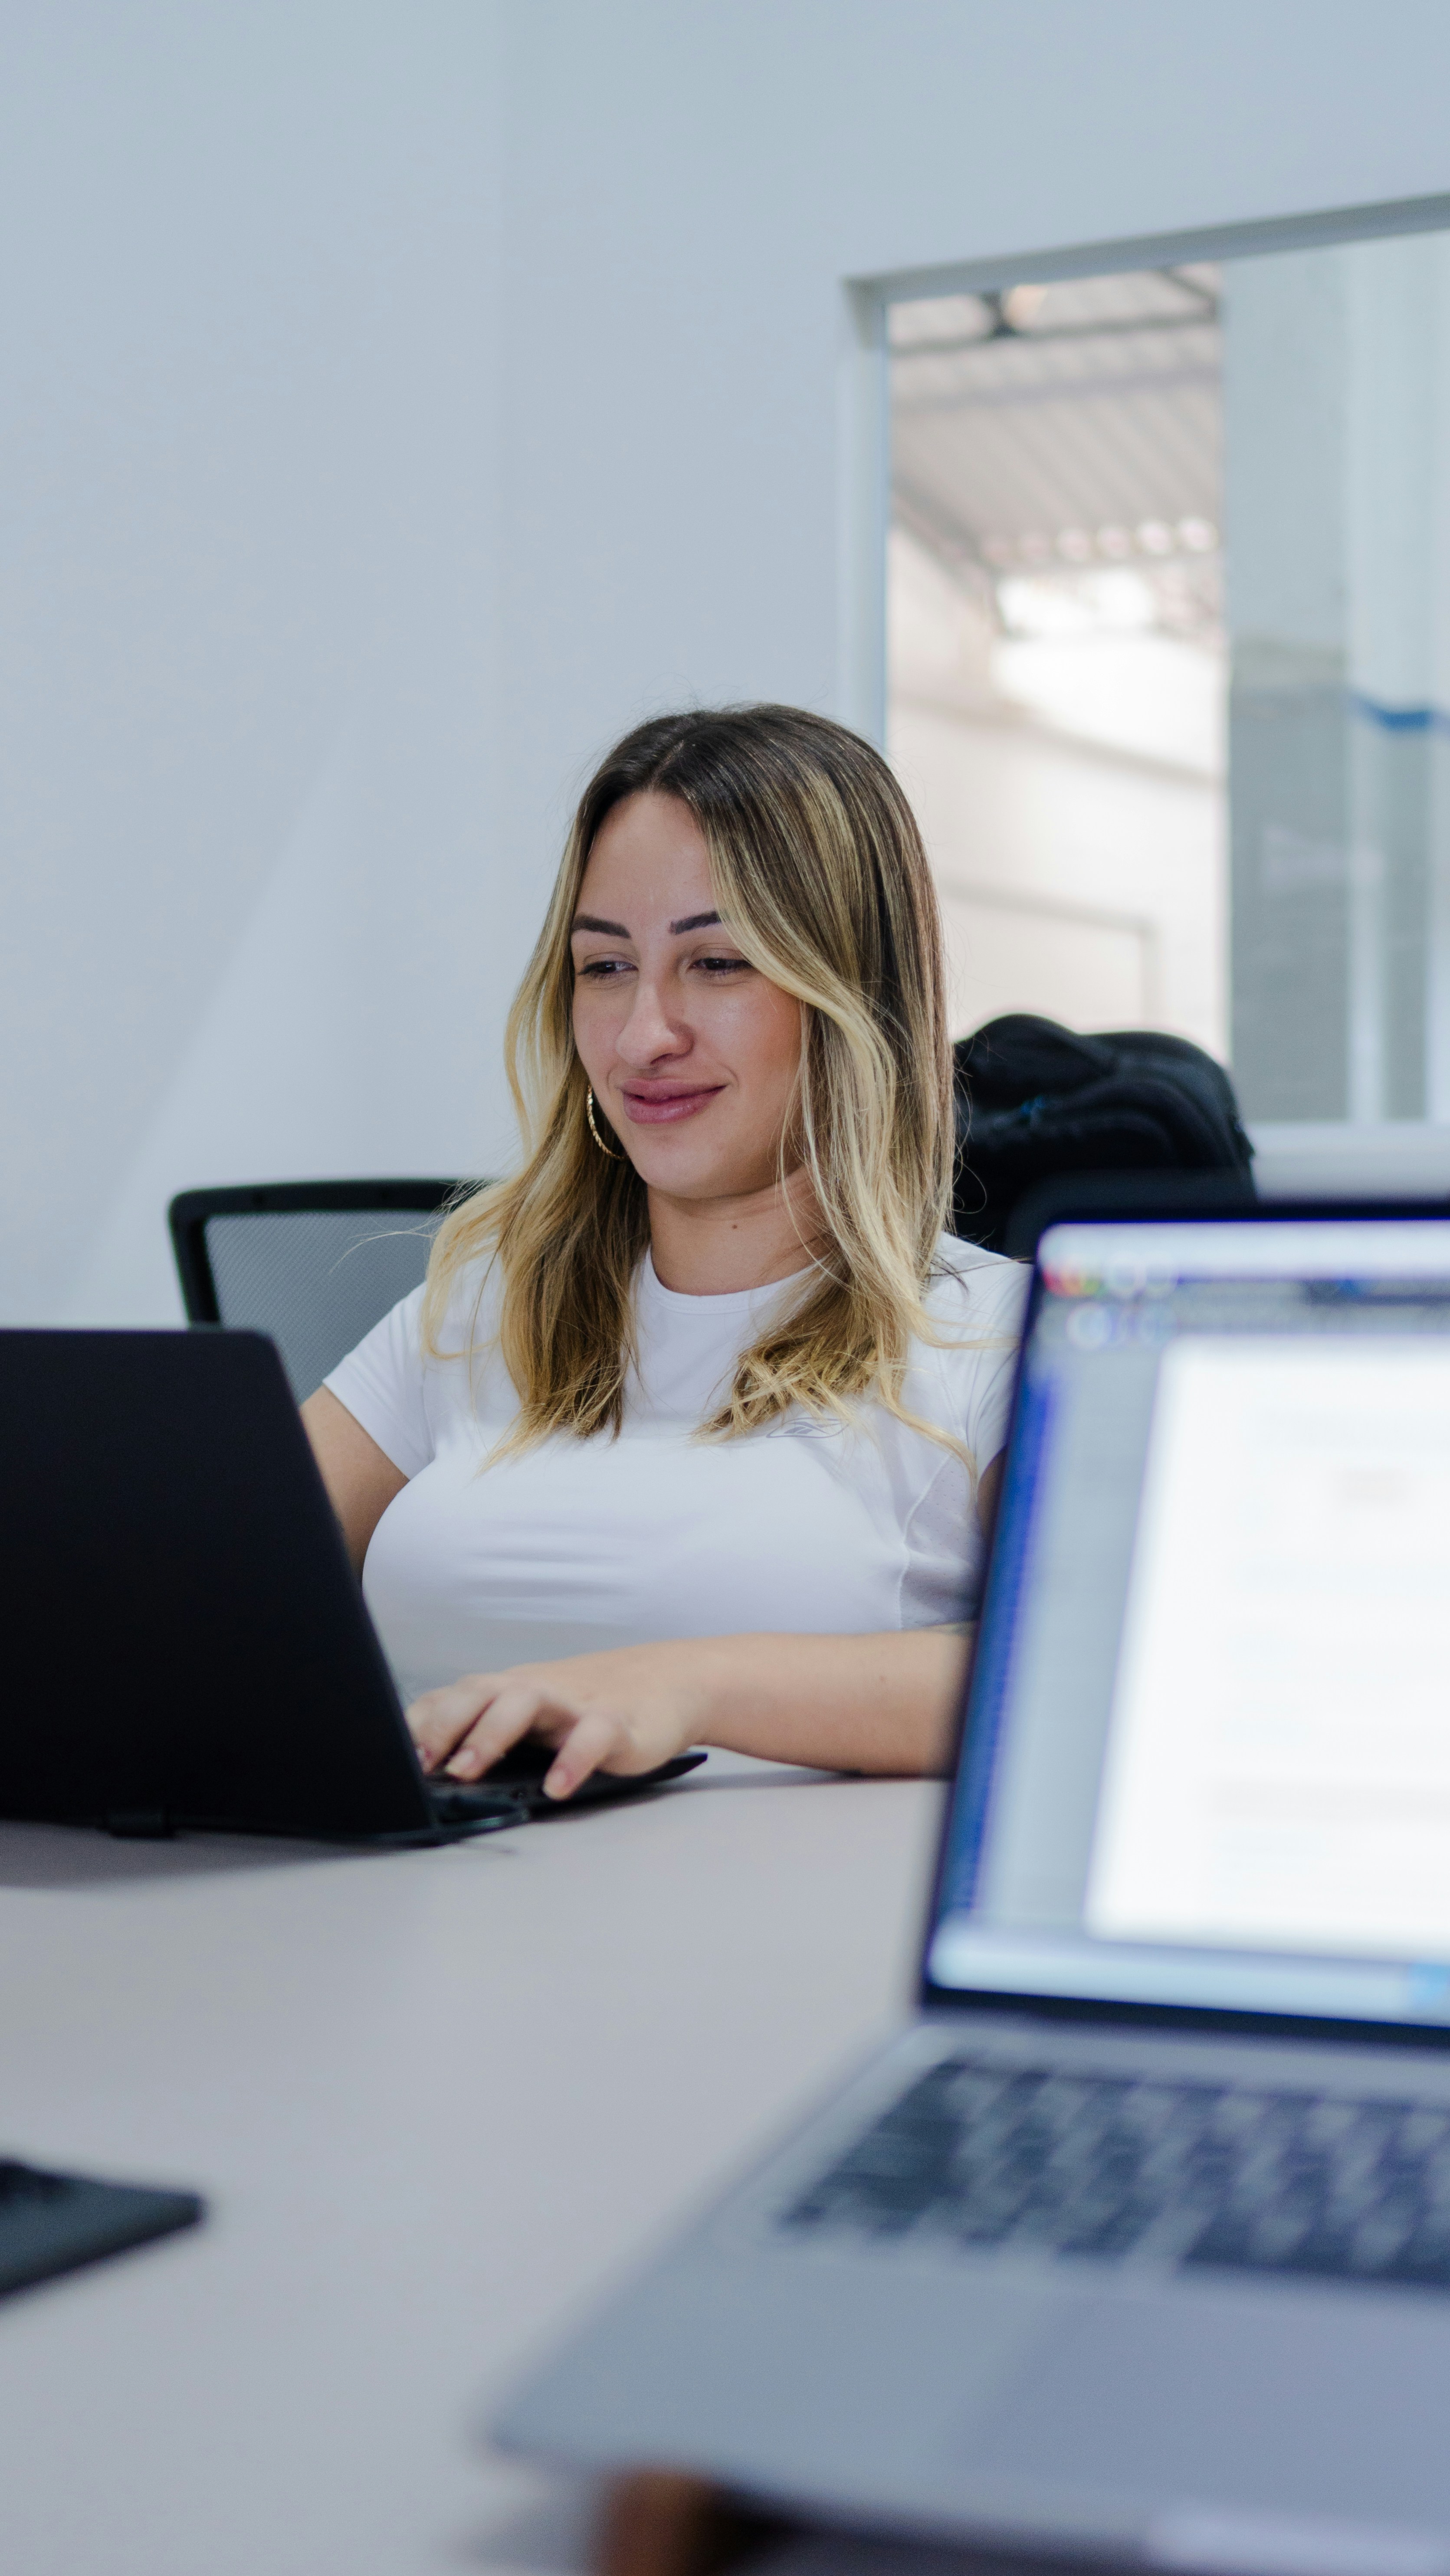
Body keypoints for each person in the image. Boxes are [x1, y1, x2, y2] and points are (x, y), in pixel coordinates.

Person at [303, 705, 1027, 1800]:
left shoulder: (995, 1340)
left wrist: (687, 1686)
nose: (646, 1035)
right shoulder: (474, 1311)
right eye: (605, 968)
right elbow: (206, 1592)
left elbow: (1100, 1670)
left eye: (719, 963)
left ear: (853, 997)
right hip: (408, 1931)